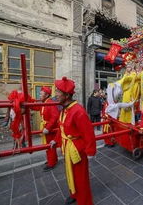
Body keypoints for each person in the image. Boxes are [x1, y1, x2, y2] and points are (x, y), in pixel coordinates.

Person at [51, 77, 96, 205]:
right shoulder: (64, 109)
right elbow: (62, 128)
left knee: (81, 178)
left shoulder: (78, 111)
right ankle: (74, 193)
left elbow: (89, 134)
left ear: (66, 95)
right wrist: (56, 140)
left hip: (77, 150)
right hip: (68, 149)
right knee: (70, 173)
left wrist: (90, 152)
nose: (56, 95)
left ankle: (85, 201)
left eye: (59, 92)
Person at [32, 86, 60, 171]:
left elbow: (55, 116)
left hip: (50, 128)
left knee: (50, 145)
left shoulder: (50, 102)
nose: (39, 94)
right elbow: (36, 107)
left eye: (41, 93)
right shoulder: (44, 102)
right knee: (48, 145)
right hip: (46, 127)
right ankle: (51, 160)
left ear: (47, 94)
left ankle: (51, 163)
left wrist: (48, 128)